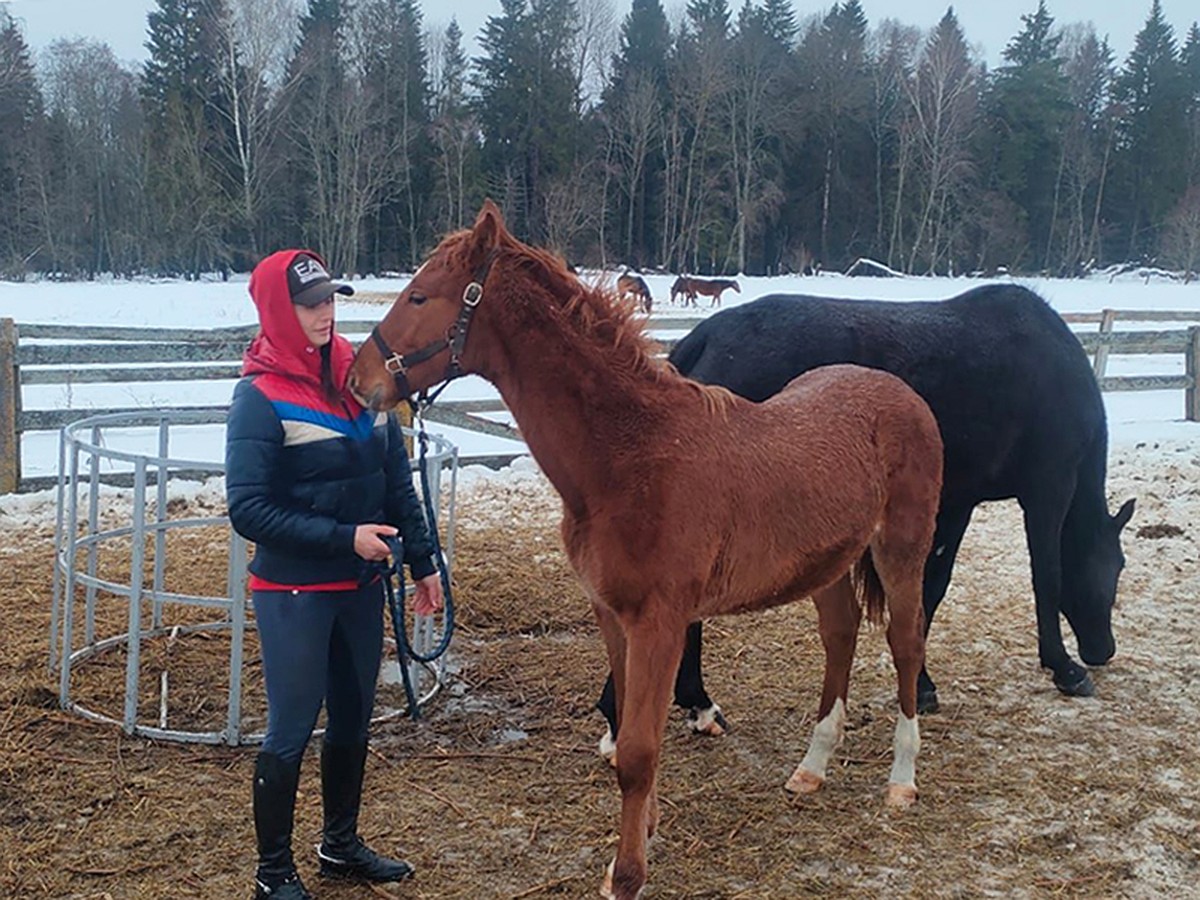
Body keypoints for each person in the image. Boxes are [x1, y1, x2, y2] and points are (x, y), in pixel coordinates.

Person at [225, 249, 444, 900]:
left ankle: (339, 844)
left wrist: (424, 562)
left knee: (352, 719)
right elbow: (248, 508)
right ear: (278, 311)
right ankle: (272, 873)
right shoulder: (258, 397)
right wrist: (344, 537)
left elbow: (394, 479)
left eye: (331, 298)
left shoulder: (359, 377)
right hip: (295, 591)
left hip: (361, 587)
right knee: (292, 727)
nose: (327, 312)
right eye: (311, 302)